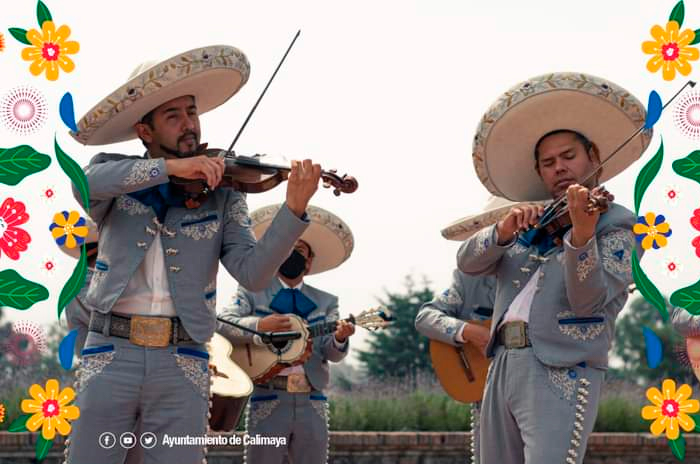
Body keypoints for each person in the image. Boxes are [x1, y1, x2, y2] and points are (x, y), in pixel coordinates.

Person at [64, 45, 321, 464]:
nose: (189, 125)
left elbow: (253, 274)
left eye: (192, 112)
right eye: (173, 116)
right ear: (145, 132)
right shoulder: (115, 173)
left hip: (183, 358)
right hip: (111, 352)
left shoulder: (224, 196)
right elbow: (85, 182)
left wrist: (292, 213)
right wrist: (171, 170)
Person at [459, 72, 650, 464]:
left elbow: (588, 300)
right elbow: (468, 264)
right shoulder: (528, 219)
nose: (559, 168)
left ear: (594, 157)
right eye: (548, 163)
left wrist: (581, 236)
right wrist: (501, 230)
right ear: (540, 172)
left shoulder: (622, 225)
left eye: (569, 157)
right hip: (502, 362)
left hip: (563, 366)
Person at [218, 204, 355, 464]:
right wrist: (260, 327)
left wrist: (340, 338)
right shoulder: (251, 292)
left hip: (312, 398)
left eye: (300, 250)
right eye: (288, 249)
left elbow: (331, 353)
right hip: (267, 395)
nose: (293, 254)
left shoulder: (326, 302)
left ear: (310, 260)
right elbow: (223, 322)